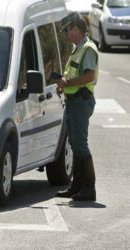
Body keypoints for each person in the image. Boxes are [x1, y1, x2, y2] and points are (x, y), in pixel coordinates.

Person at [55, 12, 98, 201]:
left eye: (67, 31)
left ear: (75, 29)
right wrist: (63, 80)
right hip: (74, 102)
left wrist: (68, 84)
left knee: (80, 144)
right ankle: (77, 185)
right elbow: (72, 72)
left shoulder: (87, 49)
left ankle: (89, 188)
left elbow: (89, 76)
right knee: (74, 143)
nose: (66, 35)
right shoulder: (78, 49)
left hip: (81, 101)